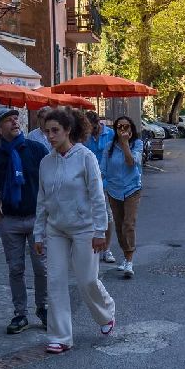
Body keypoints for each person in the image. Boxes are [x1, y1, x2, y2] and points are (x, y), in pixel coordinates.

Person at [33, 107, 116, 354]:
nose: (50, 136)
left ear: (68, 130)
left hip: (84, 228)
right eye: (47, 131)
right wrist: (39, 233)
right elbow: (42, 200)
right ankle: (60, 336)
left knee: (87, 279)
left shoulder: (85, 157)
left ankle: (106, 313)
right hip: (56, 229)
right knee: (55, 282)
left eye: (55, 130)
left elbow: (97, 196)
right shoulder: (45, 162)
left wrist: (100, 230)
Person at [0, 109, 50, 334]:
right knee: (16, 269)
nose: (14, 121)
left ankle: (44, 308)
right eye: (8, 120)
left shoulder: (36, 149)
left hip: (36, 219)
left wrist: (47, 215)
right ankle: (20, 314)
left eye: (15, 118)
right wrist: (0, 220)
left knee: (42, 267)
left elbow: (48, 183)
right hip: (10, 220)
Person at [101, 116, 143, 279]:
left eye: (126, 126)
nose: (123, 130)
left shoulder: (137, 144)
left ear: (132, 128)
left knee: (128, 224)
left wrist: (125, 144)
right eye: (120, 127)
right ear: (116, 130)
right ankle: (125, 256)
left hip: (132, 189)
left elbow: (132, 163)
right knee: (119, 226)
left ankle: (129, 260)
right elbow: (103, 170)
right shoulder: (109, 148)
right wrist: (99, 186)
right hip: (114, 190)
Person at [83, 111, 117, 264]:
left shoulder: (110, 134)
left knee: (107, 215)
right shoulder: (84, 136)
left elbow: (115, 157)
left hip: (106, 181)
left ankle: (106, 249)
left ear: (98, 124)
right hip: (87, 181)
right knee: (88, 214)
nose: (90, 131)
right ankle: (90, 246)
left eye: (92, 127)